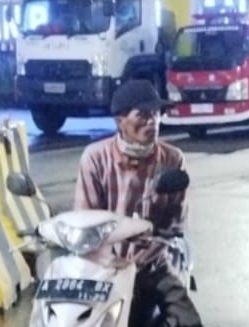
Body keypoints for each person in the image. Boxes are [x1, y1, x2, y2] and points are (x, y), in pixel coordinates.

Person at [74, 79, 203, 327]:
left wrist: (149, 247)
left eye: (156, 114)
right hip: (104, 267)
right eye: (143, 115)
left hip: (153, 264)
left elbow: (176, 223)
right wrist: (110, 261)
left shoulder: (173, 159)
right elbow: (85, 220)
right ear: (120, 121)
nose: (152, 121)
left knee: (187, 319)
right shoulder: (95, 158)